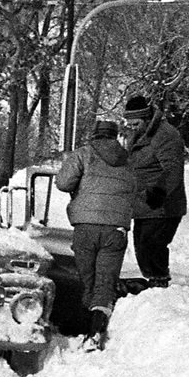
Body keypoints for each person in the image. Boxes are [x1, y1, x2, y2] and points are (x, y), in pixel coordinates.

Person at [55, 119, 137, 350]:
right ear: (115, 136)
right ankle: (95, 331)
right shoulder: (128, 160)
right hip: (115, 229)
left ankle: (81, 326)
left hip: (86, 226)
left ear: (94, 135)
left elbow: (63, 183)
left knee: (86, 278)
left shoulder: (84, 154)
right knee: (105, 281)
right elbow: (135, 190)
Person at [123, 94, 187, 289]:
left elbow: (173, 168)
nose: (131, 128)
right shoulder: (141, 134)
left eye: (135, 123)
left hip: (162, 204)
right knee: (142, 247)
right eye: (129, 124)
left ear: (145, 118)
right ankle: (154, 283)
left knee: (152, 245)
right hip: (144, 204)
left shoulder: (165, 135)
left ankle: (160, 283)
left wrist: (159, 191)